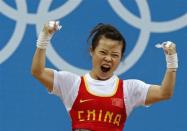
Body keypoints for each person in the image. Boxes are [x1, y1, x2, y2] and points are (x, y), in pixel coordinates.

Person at [31, 21, 178, 131]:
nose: (108, 59)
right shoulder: (71, 84)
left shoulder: (129, 89)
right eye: (103, 52)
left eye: (115, 55)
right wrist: (45, 36)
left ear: (121, 58)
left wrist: (171, 60)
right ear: (91, 51)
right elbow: (38, 71)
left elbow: (165, 93)